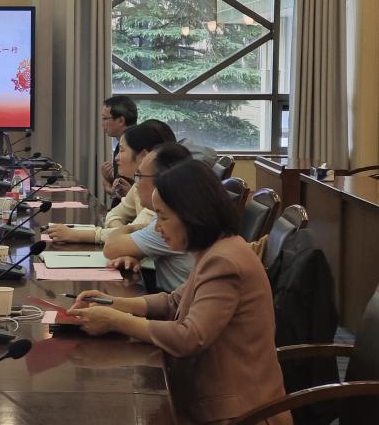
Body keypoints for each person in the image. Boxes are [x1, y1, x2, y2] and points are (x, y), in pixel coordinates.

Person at [69, 160, 291, 425]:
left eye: (163, 217)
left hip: (241, 414)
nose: (157, 227)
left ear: (191, 215)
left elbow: (190, 337)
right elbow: (174, 301)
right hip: (213, 400)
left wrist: (117, 321)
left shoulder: (224, 260)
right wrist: (113, 303)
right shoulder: (216, 249)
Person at [47, 120, 175, 245]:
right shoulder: (138, 185)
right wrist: (121, 233)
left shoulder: (161, 194)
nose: (116, 158)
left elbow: (135, 238)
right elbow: (113, 216)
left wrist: (77, 235)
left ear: (144, 155)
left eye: (122, 150)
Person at [103, 142, 194, 293]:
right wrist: (136, 256)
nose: (136, 185)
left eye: (139, 177)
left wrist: (135, 228)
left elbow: (110, 247)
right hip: (171, 297)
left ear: (161, 180)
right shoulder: (176, 210)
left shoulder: (174, 221)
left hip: (179, 303)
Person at [99, 96, 138, 204]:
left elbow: (131, 192)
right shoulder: (122, 143)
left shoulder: (134, 144)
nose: (102, 124)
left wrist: (111, 190)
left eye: (105, 119)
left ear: (121, 120)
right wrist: (111, 180)